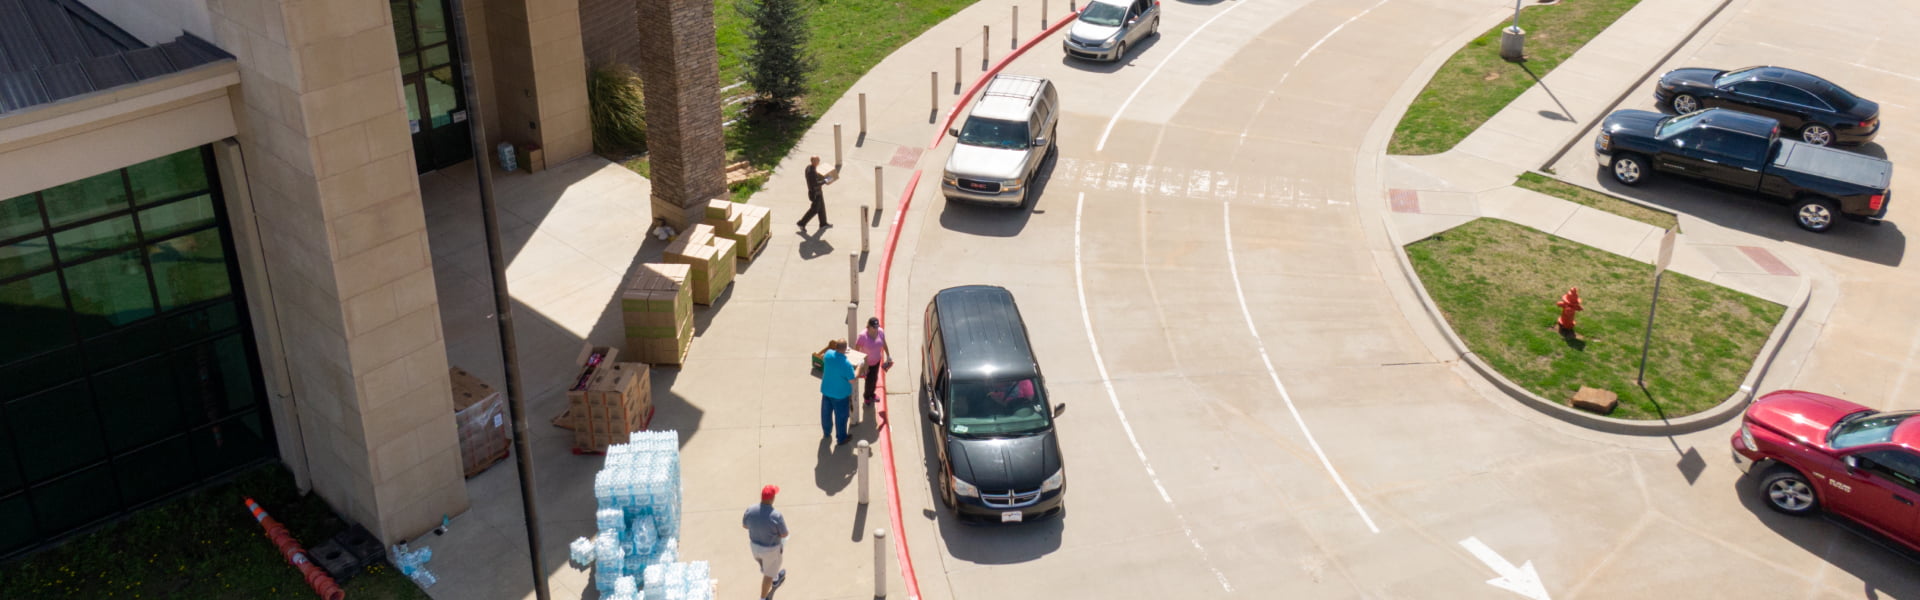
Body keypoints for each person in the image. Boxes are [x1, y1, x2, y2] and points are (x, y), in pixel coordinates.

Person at [742, 485, 789, 600]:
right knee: (768, 575)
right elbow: (784, 534)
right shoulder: (776, 516)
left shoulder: (750, 510)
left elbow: (745, 525)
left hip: (755, 548)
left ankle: (775, 579)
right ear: (772, 498)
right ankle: (763, 598)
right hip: (770, 551)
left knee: (767, 567)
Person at [820, 340, 857, 445]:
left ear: (836, 346)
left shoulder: (828, 354)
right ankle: (841, 438)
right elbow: (852, 380)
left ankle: (826, 432)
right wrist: (859, 367)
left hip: (827, 391)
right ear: (845, 349)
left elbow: (823, 357)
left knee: (826, 414)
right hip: (840, 395)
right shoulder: (846, 364)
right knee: (841, 417)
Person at [853, 317, 894, 405]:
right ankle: (867, 397)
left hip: (877, 361)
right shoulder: (863, 336)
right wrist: (860, 363)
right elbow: (857, 349)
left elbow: (884, 343)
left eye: (877, 326)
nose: (876, 329)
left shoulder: (880, 332)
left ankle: (872, 394)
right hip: (867, 363)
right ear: (869, 326)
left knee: (874, 379)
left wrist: (888, 355)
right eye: (874, 327)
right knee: (869, 381)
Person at [797, 156, 835, 230]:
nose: (819, 161)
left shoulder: (809, 167)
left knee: (821, 208)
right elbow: (815, 183)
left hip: (818, 192)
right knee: (814, 210)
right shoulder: (811, 172)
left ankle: (823, 223)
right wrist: (826, 180)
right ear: (813, 161)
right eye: (817, 160)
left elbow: (815, 179)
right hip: (815, 193)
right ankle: (801, 223)